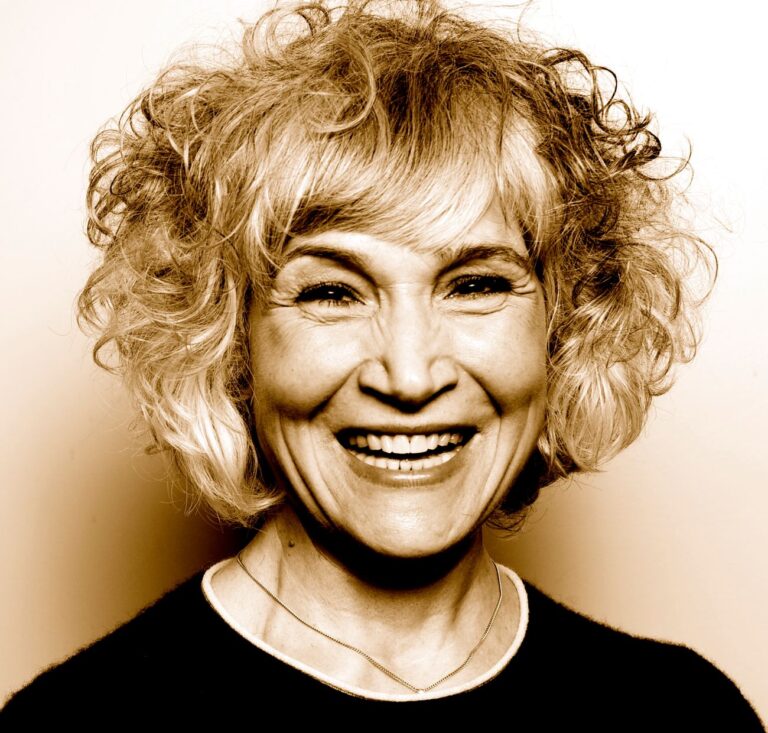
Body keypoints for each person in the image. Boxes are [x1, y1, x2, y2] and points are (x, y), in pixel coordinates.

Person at [2, 0, 763, 725]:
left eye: (476, 285)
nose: (409, 375)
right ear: (231, 342)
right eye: (332, 292)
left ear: (562, 330)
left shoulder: (686, 721)